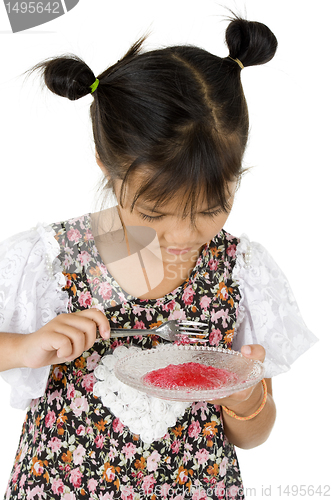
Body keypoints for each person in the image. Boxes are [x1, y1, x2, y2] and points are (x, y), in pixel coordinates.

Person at [0, 15, 317, 500]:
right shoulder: (48, 260)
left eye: (212, 208)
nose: (183, 234)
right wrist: (23, 349)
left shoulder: (240, 269)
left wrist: (246, 398)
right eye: (154, 211)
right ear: (107, 166)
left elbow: (253, 434)